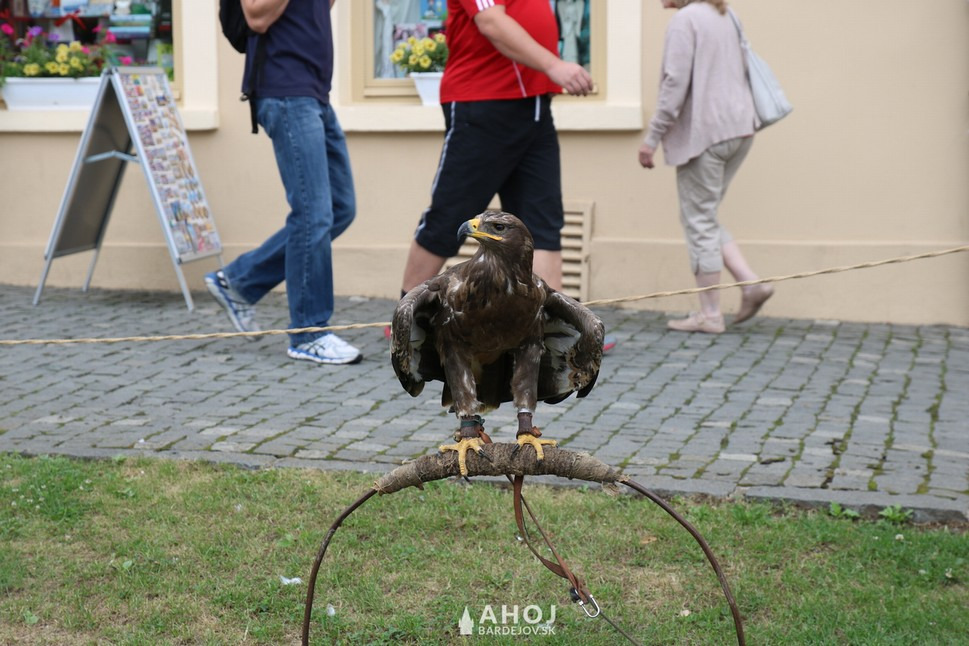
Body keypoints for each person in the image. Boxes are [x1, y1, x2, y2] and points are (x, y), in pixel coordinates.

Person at [398, 0, 594, 300]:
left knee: (542, 222)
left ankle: (551, 320)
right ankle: (407, 313)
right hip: (484, 103)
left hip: (536, 106)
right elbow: (490, 21)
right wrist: (555, 65)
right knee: (449, 215)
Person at [205, 0, 362, 365]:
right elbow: (256, 15)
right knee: (313, 214)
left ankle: (239, 281)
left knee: (339, 208)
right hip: (286, 91)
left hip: (314, 92)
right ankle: (308, 333)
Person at [638, 0, 774, 334]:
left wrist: (652, 138)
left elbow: (674, 84)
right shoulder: (725, 14)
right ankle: (751, 284)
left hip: (707, 135)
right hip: (739, 129)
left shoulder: (685, 20)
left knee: (698, 220)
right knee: (704, 215)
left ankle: (711, 314)